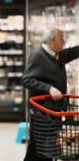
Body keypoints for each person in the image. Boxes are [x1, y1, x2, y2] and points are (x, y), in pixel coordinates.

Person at [22, 27, 79, 161]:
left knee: (41, 147)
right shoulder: (38, 56)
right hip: (41, 112)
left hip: (52, 111)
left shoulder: (57, 55)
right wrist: (49, 89)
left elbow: (72, 52)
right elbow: (26, 79)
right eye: (61, 38)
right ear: (52, 40)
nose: (64, 42)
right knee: (42, 148)